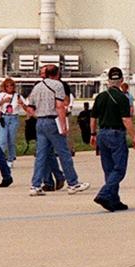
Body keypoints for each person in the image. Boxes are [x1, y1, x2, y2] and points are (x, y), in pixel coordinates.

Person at [24, 64, 90, 196]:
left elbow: (30, 107)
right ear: (57, 74)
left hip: (40, 122)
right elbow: (60, 106)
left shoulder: (37, 87)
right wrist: (63, 125)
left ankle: (35, 185)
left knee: (41, 155)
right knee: (64, 153)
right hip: (53, 121)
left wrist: (40, 115)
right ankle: (73, 182)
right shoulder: (57, 85)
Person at [90, 73, 135, 212]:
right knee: (119, 169)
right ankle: (104, 194)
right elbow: (126, 119)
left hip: (102, 134)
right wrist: (134, 136)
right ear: (121, 81)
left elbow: (93, 118)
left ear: (108, 81)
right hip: (116, 134)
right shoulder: (122, 98)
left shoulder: (100, 97)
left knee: (109, 169)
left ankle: (114, 200)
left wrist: (93, 134)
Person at [0, 76, 23, 164]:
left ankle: (10, 158)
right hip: (4, 117)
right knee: (2, 139)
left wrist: (21, 103)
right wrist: (3, 101)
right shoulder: (1, 95)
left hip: (14, 117)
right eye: (7, 86)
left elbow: (25, 105)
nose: (10, 88)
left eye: (11, 86)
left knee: (11, 139)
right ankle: (0, 158)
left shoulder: (17, 96)